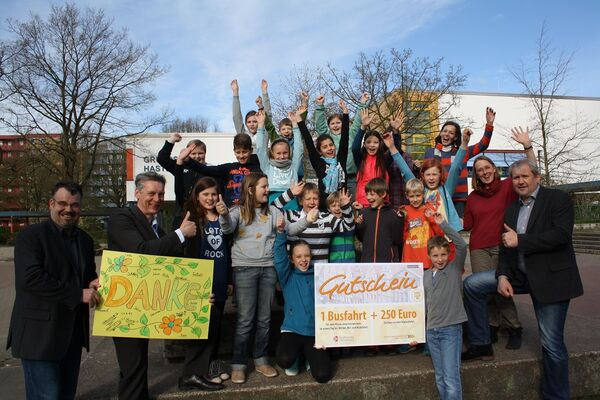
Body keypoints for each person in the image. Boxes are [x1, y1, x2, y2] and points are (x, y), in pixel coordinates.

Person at [462, 159, 584, 400]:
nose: (520, 181)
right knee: (472, 285)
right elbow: (507, 247)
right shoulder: (512, 209)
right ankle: (481, 342)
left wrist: (522, 241)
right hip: (519, 274)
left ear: (536, 177)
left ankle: (556, 395)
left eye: (525, 176)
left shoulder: (556, 199)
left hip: (550, 278)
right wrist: (504, 275)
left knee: (551, 343)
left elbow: (561, 236)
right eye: (516, 177)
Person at [107, 172, 222, 398]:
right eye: (151, 193)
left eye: (160, 194)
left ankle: (192, 374)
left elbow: (173, 264)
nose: (156, 198)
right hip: (126, 304)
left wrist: (197, 292)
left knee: (209, 313)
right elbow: (141, 251)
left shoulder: (157, 228)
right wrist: (181, 233)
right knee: (133, 365)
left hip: (152, 300)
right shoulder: (122, 218)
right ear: (137, 193)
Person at [216, 172, 316, 384]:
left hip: (268, 269)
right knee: (245, 319)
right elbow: (227, 228)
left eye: (268, 186)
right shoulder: (237, 211)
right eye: (264, 186)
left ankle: (261, 360)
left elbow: (291, 230)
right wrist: (223, 214)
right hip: (244, 269)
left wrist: (307, 220)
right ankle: (239, 364)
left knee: (264, 319)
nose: (267, 189)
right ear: (251, 189)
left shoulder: (274, 212)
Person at [7, 181, 99, 400]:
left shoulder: (85, 240)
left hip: (73, 336)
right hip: (39, 337)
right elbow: (31, 279)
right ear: (51, 203)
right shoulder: (31, 236)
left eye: (75, 205)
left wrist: (93, 283)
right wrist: (78, 294)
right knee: (46, 397)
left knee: (66, 395)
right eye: (63, 203)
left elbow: (86, 277)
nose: (68, 209)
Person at [463, 126, 537, 350]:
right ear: (475, 175)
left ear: (494, 169)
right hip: (478, 248)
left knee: (502, 288)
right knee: (482, 291)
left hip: (501, 246)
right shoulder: (473, 197)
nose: (484, 172)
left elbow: (532, 170)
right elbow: (465, 224)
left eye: (487, 168)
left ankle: (514, 327)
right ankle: (493, 325)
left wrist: (527, 146)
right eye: (479, 170)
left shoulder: (507, 187)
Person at [178, 177, 233, 384]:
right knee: (202, 328)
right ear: (197, 195)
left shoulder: (223, 216)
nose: (210, 198)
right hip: (199, 282)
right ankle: (198, 370)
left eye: (213, 194)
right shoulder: (191, 217)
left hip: (219, 277)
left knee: (216, 327)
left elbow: (227, 250)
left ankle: (212, 367)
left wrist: (229, 279)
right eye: (205, 194)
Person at [417, 212, 469, 400]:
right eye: (436, 255)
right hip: (432, 331)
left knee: (451, 377)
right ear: (429, 256)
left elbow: (461, 245)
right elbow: (424, 306)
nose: (440, 259)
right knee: (440, 377)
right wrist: (417, 332)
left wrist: (443, 224)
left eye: (443, 255)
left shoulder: (454, 270)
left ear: (448, 254)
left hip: (451, 330)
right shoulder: (425, 276)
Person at [384, 128, 472, 232]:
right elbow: (405, 171)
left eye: (434, 174)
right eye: (428, 174)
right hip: (425, 236)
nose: (431, 178)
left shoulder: (446, 189)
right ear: (423, 175)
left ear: (440, 175)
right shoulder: (419, 188)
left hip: (445, 238)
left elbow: (456, 167)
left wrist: (465, 142)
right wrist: (392, 147)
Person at [274, 230, 332, 383]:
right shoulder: (287, 276)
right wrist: (280, 234)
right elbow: (279, 258)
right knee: (284, 360)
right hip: (293, 329)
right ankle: (295, 357)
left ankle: (308, 356)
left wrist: (327, 334)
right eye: (298, 256)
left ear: (311, 257)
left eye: (306, 255)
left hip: (314, 332)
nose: (303, 260)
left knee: (322, 375)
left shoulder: (319, 277)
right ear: (292, 259)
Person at [423, 107, 496, 216]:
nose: (447, 134)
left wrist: (489, 124)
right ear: (441, 133)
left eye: (451, 133)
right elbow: (424, 175)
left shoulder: (462, 152)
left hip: (459, 202)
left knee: (457, 231)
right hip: (437, 199)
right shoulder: (430, 152)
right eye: (445, 131)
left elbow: (483, 144)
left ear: (456, 137)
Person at [182, 133, 262, 207]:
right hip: (231, 211)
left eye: (244, 152)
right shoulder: (228, 168)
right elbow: (206, 169)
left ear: (251, 151)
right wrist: (189, 160)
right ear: (234, 151)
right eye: (238, 152)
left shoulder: (258, 168)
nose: (241, 156)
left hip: (251, 210)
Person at [299, 99, 349, 210]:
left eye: (331, 145)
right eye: (325, 147)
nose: (329, 148)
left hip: (342, 204)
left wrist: (345, 113)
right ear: (320, 151)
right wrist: (299, 120)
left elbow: (345, 138)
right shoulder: (319, 162)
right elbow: (308, 141)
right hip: (325, 206)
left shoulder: (341, 159)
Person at [355, 178, 404, 262]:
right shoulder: (364, 213)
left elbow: (397, 240)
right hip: (368, 261)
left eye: (372, 194)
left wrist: (399, 221)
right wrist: (359, 225)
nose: (368, 197)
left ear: (383, 194)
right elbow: (360, 238)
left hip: (387, 262)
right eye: (367, 194)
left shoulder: (393, 214)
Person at [156, 132, 207, 209]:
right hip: (182, 212)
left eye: (200, 153)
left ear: (205, 153)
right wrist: (171, 141)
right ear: (187, 154)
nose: (197, 156)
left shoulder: (210, 170)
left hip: (204, 213)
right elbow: (162, 159)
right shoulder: (180, 167)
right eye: (193, 153)